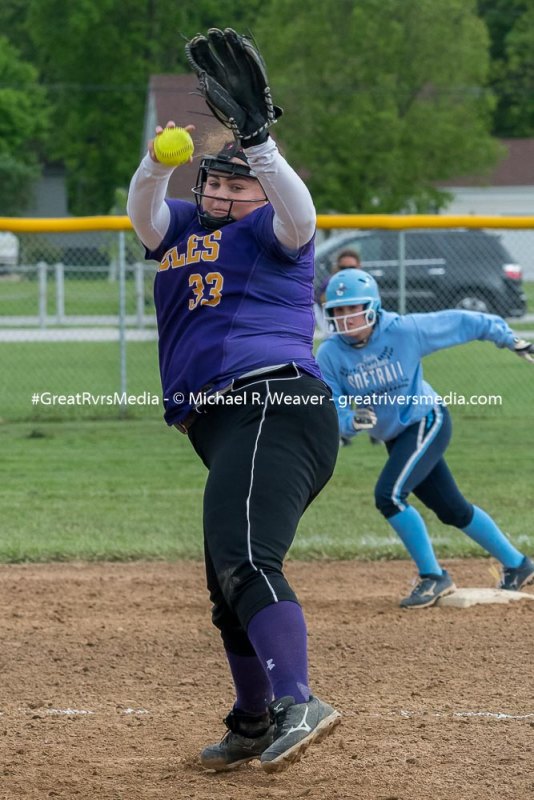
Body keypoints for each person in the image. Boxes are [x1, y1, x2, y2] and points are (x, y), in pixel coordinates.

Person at [127, 27, 340, 774]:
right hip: (225, 424)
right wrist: (157, 164)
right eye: (213, 184)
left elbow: (301, 214)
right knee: (228, 582)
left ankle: (299, 700)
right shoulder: (185, 228)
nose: (220, 193)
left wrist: (261, 146)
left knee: (247, 558)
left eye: (236, 185)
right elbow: (144, 214)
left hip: (272, 404)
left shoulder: (278, 233)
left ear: (260, 192)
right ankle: (252, 720)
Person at [316, 268, 534, 608]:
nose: (346, 317)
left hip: (426, 420)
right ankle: (518, 565)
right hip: (395, 436)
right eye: (338, 310)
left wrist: (507, 338)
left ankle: (434, 576)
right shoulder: (330, 354)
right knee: (452, 509)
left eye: (353, 308)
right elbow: (333, 404)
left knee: (389, 495)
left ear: (373, 307)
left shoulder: (403, 331)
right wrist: (349, 421)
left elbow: (463, 322)